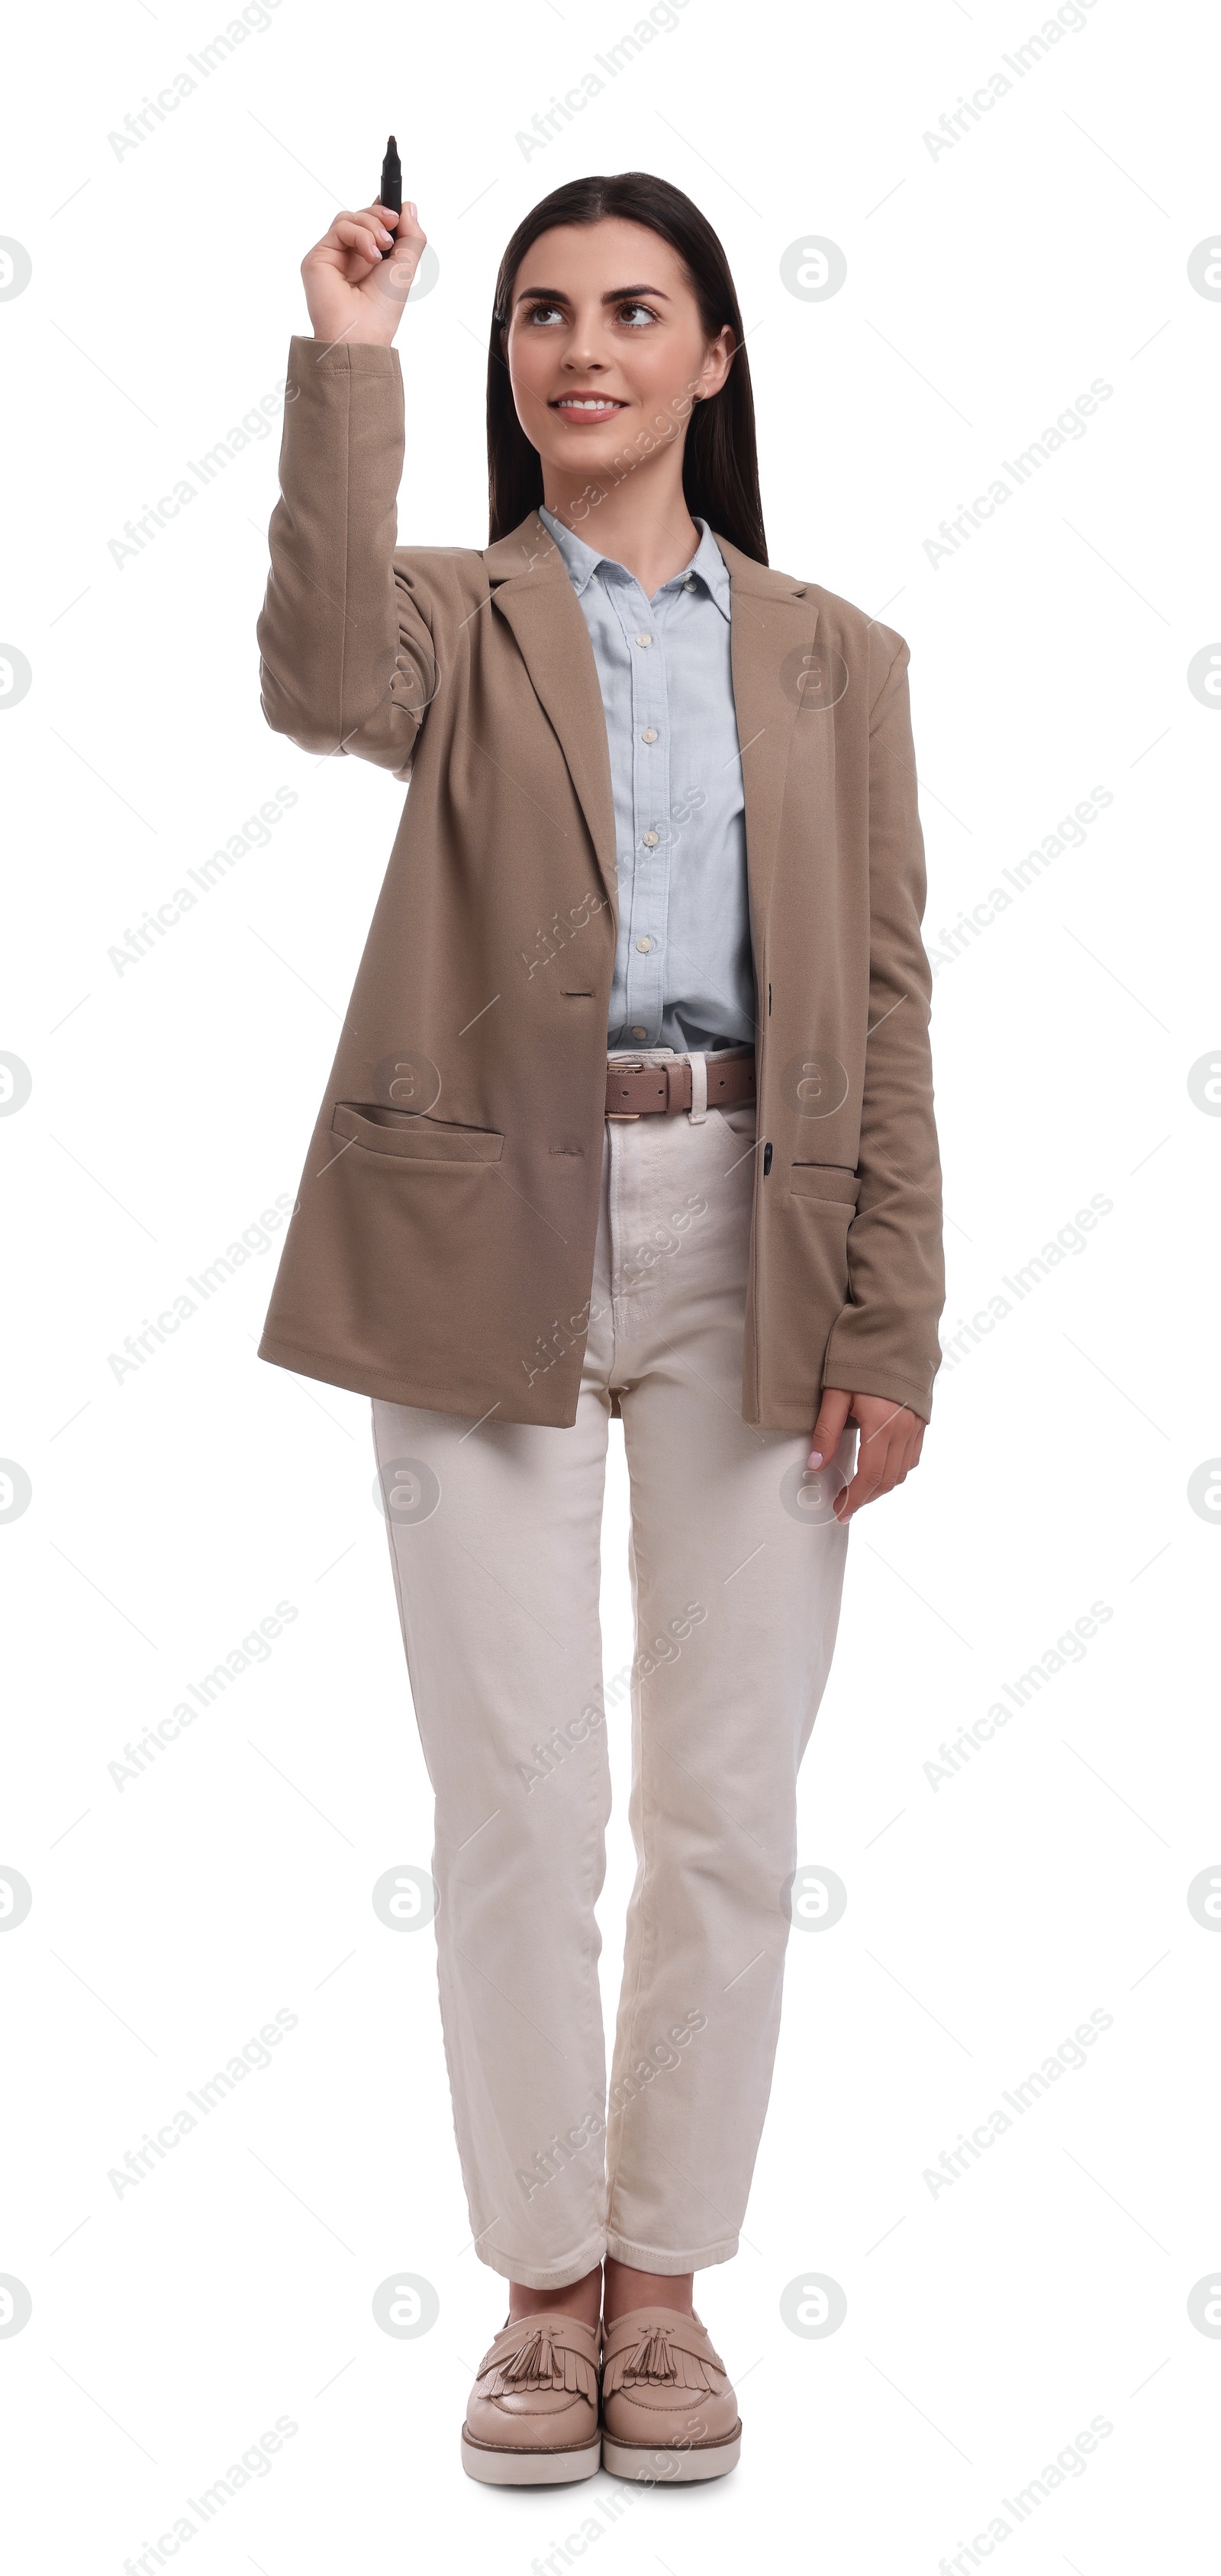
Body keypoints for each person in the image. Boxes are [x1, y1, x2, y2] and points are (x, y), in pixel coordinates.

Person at [255, 167, 944, 2487]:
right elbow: (318, 671)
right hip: (487, 1231)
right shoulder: (455, 618)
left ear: (715, 359)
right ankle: (545, 2296)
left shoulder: (839, 657)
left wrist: (898, 1318)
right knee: (519, 1802)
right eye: (543, 315)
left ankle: (669, 2290)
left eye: (635, 313)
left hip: (765, 1234)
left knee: (728, 1805)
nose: (582, 350)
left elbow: (883, 996)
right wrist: (349, 352)